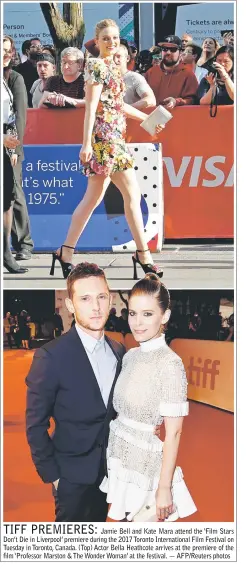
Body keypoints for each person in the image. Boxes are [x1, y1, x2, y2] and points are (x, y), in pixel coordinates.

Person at [51, 19, 164, 281]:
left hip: (116, 138)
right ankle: (143, 253)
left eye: (115, 38)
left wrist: (146, 121)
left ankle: (65, 252)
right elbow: (91, 107)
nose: (112, 43)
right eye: (106, 39)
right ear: (97, 42)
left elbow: (117, 106)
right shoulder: (97, 66)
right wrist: (87, 143)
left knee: (93, 200)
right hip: (104, 140)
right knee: (128, 195)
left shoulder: (114, 67)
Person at [25, 262, 126, 522]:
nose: (96, 307)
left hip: (107, 477)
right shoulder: (51, 356)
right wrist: (55, 477)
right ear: (70, 305)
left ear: (110, 299)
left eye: (102, 297)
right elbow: (35, 425)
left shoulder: (119, 351)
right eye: (85, 298)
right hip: (70, 480)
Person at [100, 274, 197, 521]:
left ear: (164, 316)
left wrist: (164, 488)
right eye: (133, 313)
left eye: (148, 314)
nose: (137, 323)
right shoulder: (131, 356)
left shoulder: (170, 364)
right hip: (119, 459)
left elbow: (174, 433)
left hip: (146, 470)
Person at [4, 35, 34, 262]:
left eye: (8, 50)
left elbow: (19, 117)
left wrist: (13, 147)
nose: (5, 54)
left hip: (9, 147)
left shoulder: (15, 78)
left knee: (14, 193)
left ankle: (23, 243)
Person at [145, 35, 198, 108]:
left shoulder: (188, 74)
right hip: (152, 117)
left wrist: (176, 101)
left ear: (181, 53)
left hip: (178, 117)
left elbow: (193, 100)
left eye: (173, 49)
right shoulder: (151, 72)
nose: (168, 52)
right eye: (165, 49)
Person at [114, 43, 156, 108]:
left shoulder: (134, 77)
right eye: (112, 56)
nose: (115, 60)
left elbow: (150, 100)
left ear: (127, 58)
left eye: (118, 56)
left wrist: (125, 110)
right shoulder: (102, 78)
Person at [14, 38, 43, 107]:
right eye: (34, 46)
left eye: (40, 46)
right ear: (27, 51)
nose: (38, 48)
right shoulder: (19, 69)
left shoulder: (45, 69)